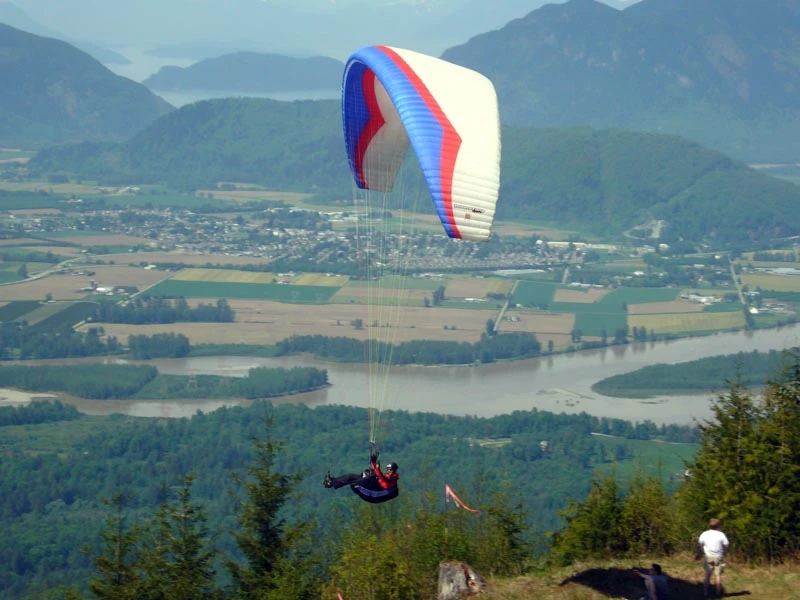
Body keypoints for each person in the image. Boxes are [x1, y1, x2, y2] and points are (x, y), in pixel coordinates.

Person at [324, 453, 399, 503]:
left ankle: (332, 483)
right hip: (372, 488)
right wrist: (373, 462)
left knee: (354, 481)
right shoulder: (387, 476)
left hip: (373, 494)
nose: (389, 471)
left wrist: (377, 469)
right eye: (388, 469)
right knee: (351, 477)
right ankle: (331, 482)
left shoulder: (393, 479)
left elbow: (383, 481)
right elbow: (378, 476)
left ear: (394, 470)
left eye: (391, 469)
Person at [697, 517, 730, 597]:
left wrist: (699, 554)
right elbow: (726, 544)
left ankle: (705, 592)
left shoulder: (704, 534)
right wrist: (724, 551)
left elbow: (700, 544)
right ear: (718, 525)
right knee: (718, 575)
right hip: (718, 556)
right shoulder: (721, 534)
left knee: (708, 575)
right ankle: (718, 593)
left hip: (708, 556)